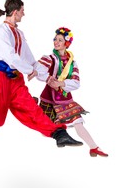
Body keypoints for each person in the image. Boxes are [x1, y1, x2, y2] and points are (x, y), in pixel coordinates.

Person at [0, 0, 83, 148]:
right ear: (15, 12)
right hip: (0, 79)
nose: (24, 14)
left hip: (16, 80)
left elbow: (30, 60)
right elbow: (11, 58)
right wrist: (29, 70)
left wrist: (47, 78)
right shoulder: (2, 32)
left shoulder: (19, 33)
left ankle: (59, 134)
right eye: (22, 11)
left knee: (32, 111)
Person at [28, 27, 108, 157]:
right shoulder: (50, 58)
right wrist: (37, 72)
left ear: (66, 43)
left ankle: (94, 147)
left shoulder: (72, 63)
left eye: (60, 40)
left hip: (64, 99)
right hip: (49, 98)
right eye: (55, 39)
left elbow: (76, 82)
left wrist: (62, 83)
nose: (56, 42)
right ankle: (32, 105)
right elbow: (40, 68)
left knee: (78, 122)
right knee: (43, 128)